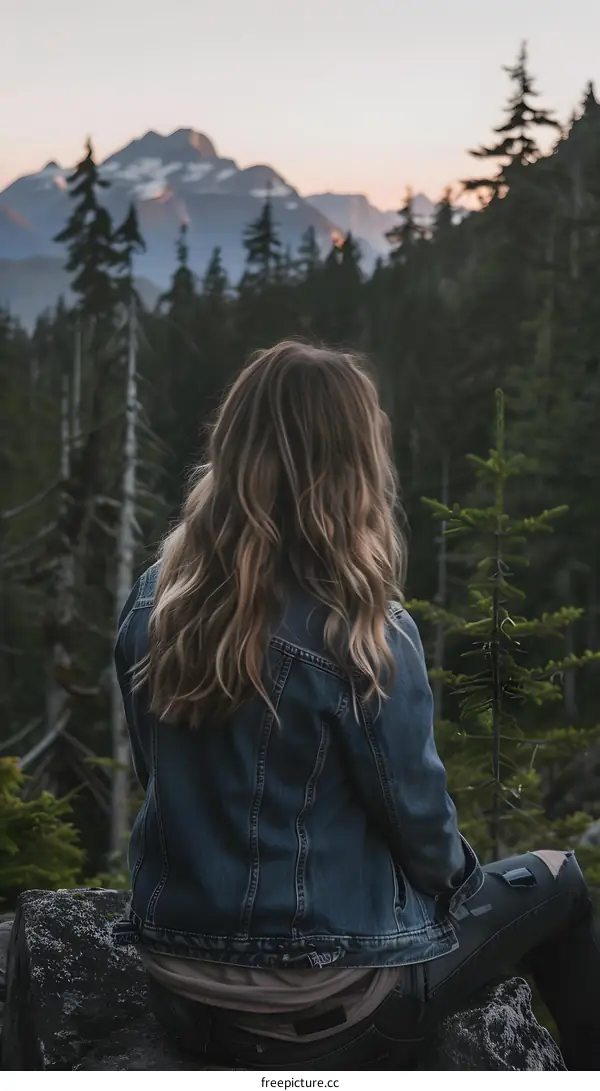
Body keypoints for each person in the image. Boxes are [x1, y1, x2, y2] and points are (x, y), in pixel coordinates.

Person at [114, 341, 600, 1071]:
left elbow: (164, 777)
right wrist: (465, 890)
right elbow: (426, 837)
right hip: (326, 1012)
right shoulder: (359, 631)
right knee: (560, 880)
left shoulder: (159, 597)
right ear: (349, 466)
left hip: (180, 993)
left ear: (235, 445)